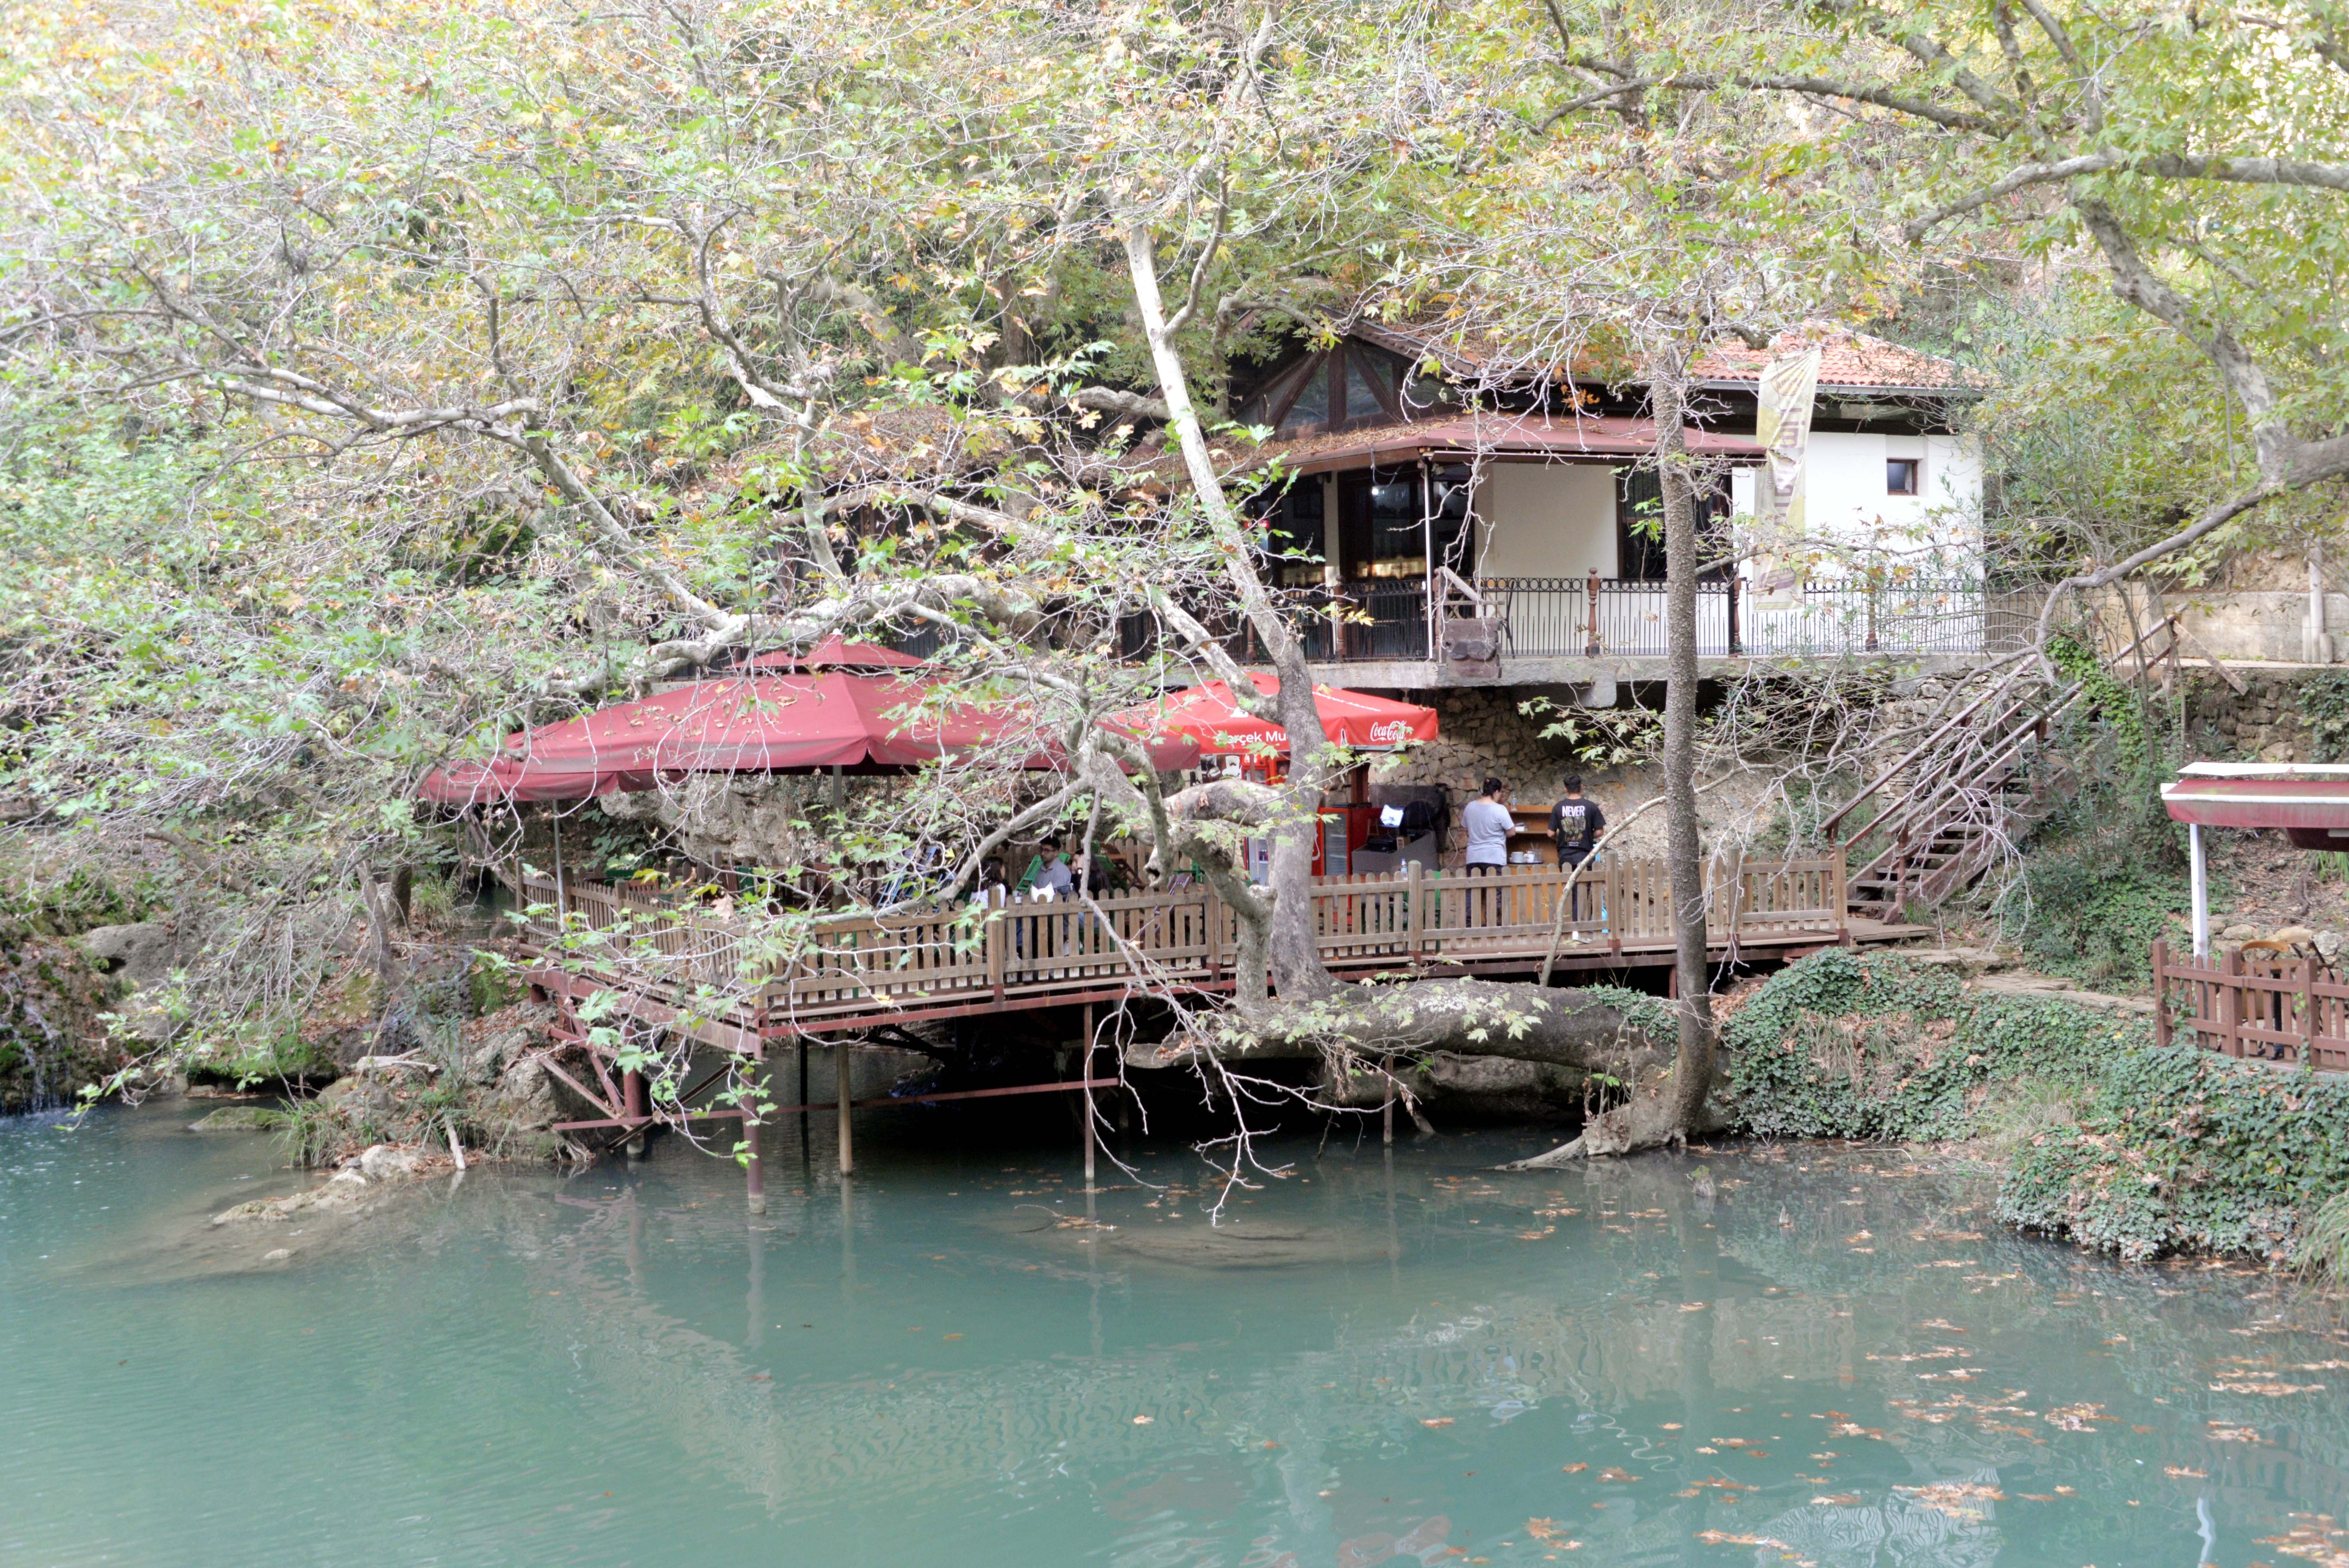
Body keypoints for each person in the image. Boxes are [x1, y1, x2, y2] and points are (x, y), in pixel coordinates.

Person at [1550, 775, 1606, 868]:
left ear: (1565, 789)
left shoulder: (1558, 807)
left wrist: (1560, 838)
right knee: (1586, 878)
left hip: (1565, 857)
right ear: (1582, 787)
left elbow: (1551, 833)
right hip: (1586, 857)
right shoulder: (1591, 806)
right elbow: (1600, 832)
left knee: (1568, 879)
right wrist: (1587, 836)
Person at [1461, 777, 1513, 875]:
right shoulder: (1500, 810)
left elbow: (1466, 828)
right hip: (1494, 857)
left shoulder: (1470, 807)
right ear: (1497, 793)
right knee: (1494, 885)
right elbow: (1512, 832)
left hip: (1473, 858)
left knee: (1474, 885)